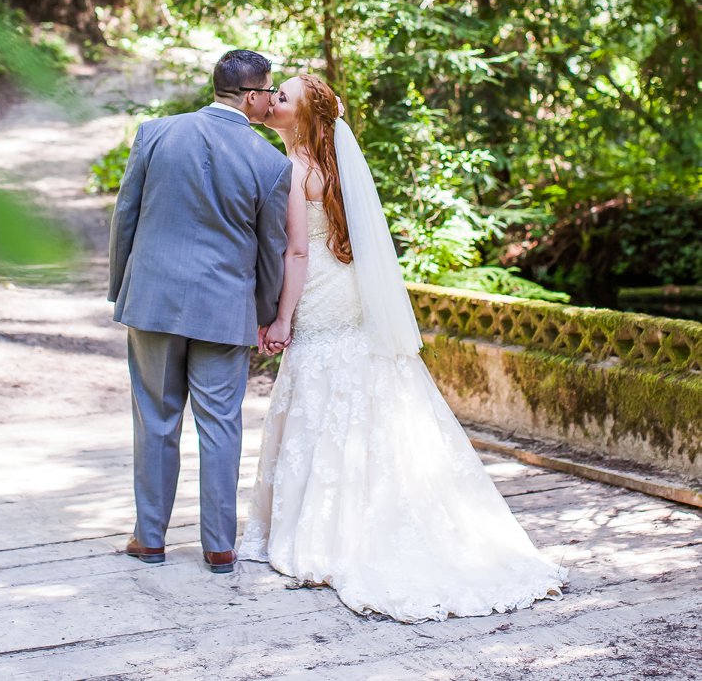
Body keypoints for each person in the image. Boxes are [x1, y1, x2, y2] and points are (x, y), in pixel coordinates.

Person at [239, 73, 568, 621]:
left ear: (305, 116)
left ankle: (325, 526)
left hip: (318, 289)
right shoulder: (337, 165)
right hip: (350, 287)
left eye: (283, 98)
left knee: (318, 383)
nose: (272, 102)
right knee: (366, 386)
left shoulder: (295, 168)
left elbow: (296, 254)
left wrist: (279, 318)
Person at [108, 49, 294, 573]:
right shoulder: (271, 163)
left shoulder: (156, 133)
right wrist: (263, 314)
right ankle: (218, 545)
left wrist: (122, 287)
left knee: (155, 420)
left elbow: (127, 215)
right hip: (224, 307)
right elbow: (271, 248)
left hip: (153, 301)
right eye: (269, 91)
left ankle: (150, 539)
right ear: (254, 96)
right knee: (220, 425)